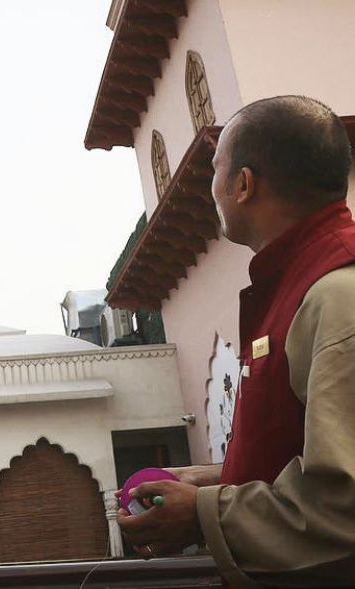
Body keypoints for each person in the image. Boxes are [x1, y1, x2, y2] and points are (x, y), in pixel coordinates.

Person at [117, 95, 355, 586]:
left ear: (243, 184)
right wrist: (218, 478)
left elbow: (340, 506)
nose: (211, 188)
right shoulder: (299, 286)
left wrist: (204, 511)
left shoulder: (336, 296)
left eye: (215, 169)